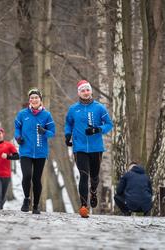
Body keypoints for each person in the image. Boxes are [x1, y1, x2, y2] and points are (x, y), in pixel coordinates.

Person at [64, 80, 113, 218]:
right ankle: (84, 206)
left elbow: (109, 124)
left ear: (91, 91)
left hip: (96, 147)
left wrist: (98, 129)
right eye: (82, 90)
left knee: (94, 176)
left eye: (87, 90)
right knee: (83, 175)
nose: (85, 92)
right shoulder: (73, 109)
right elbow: (68, 123)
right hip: (79, 147)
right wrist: (68, 135)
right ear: (79, 93)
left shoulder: (99, 108)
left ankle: (93, 191)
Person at [14, 87, 55, 214]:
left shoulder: (46, 115)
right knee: (27, 176)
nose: (34, 99)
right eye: (31, 98)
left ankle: (36, 205)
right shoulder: (22, 114)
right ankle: (27, 199)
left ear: (40, 100)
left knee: (36, 179)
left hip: (41, 152)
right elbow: (17, 128)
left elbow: (52, 133)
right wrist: (18, 137)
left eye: (36, 97)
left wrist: (44, 132)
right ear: (29, 100)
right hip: (25, 150)